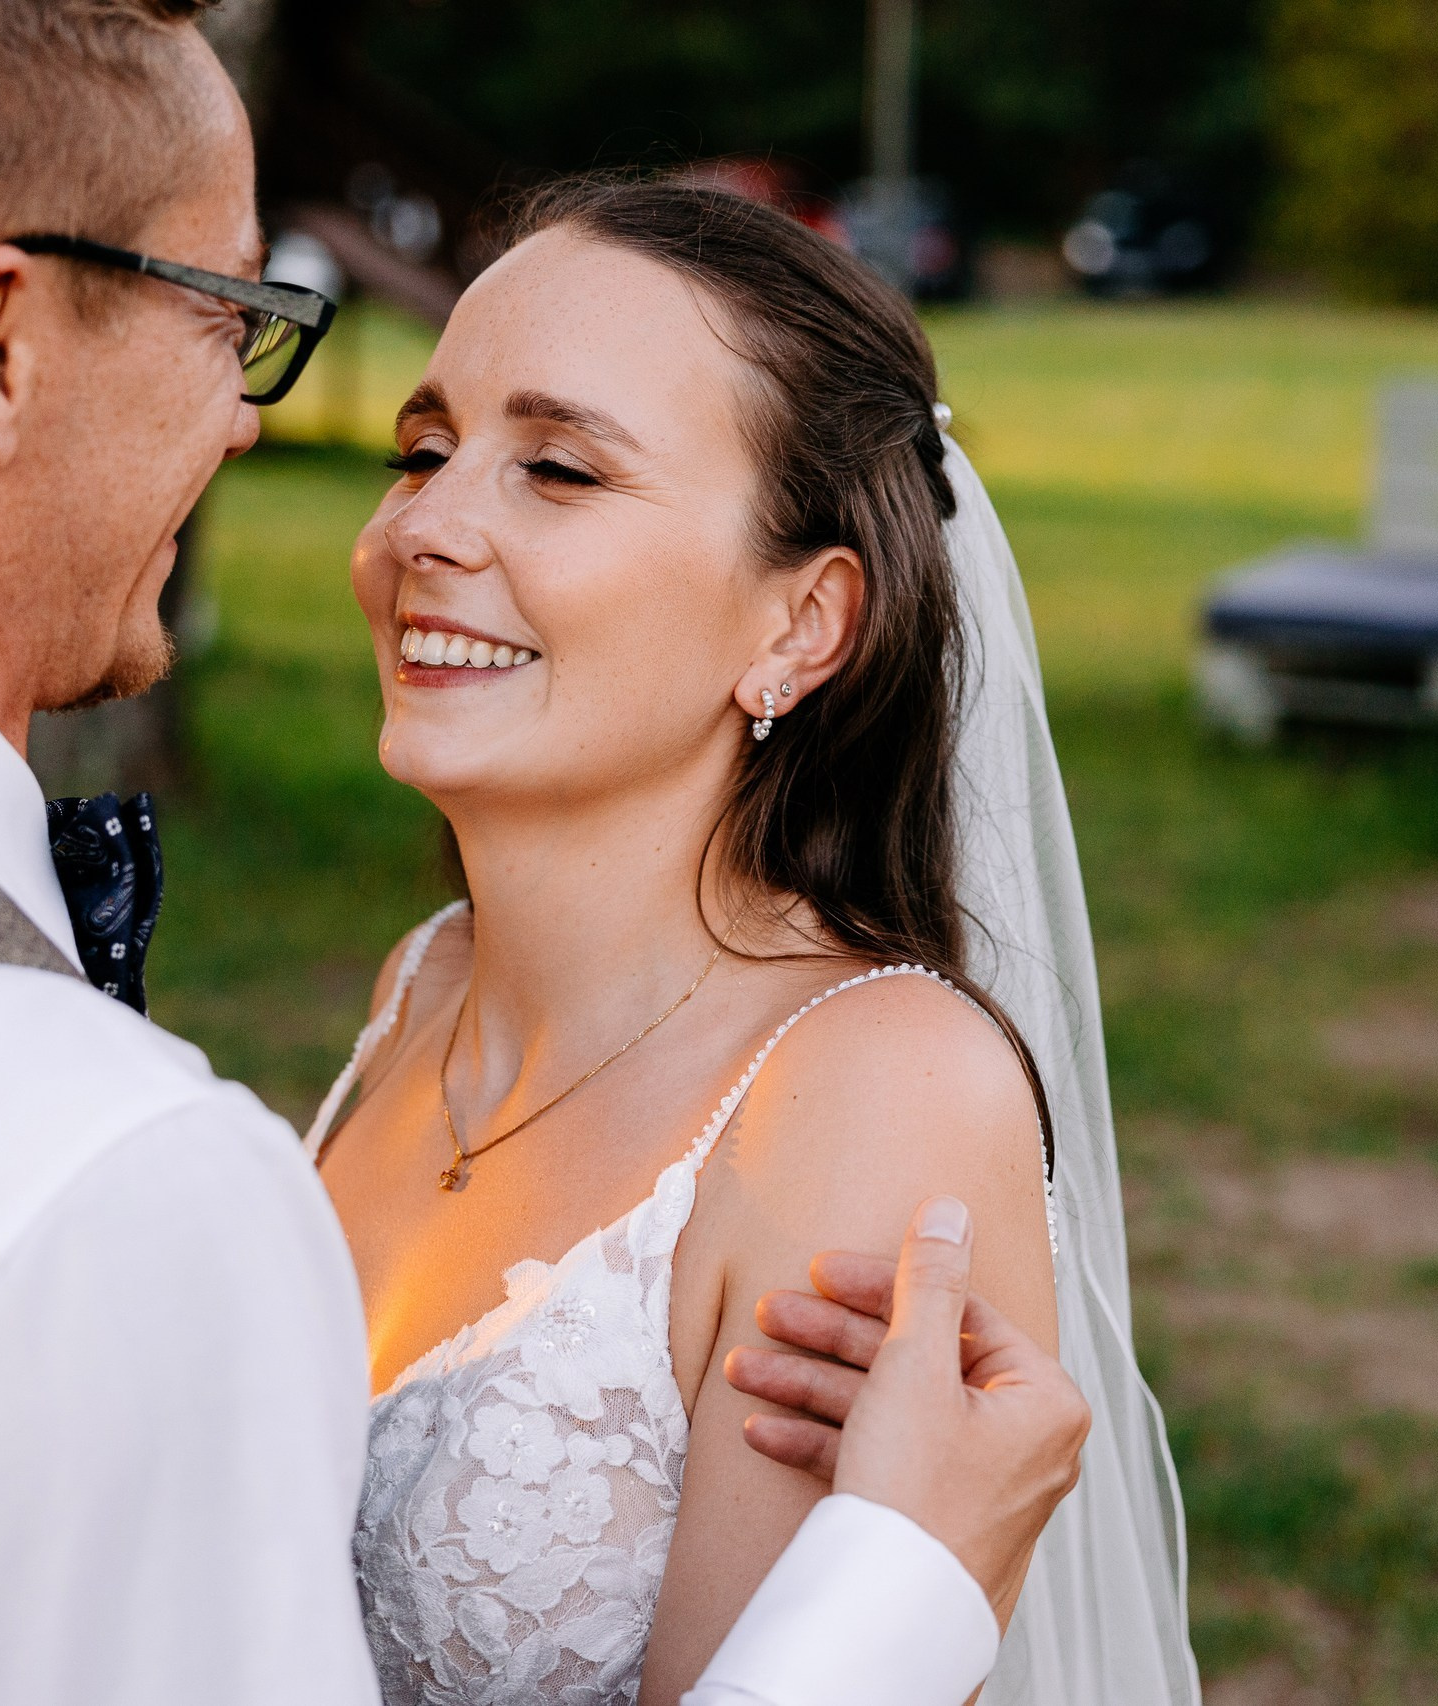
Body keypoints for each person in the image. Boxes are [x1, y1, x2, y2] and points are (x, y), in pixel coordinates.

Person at [0, 2, 1091, 1702]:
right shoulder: (98, 1170)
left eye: (558, 470)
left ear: (808, 620)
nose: (388, 510)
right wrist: (900, 1593)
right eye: (220, 314)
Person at [308, 179, 1201, 1704]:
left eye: (561, 469)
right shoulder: (423, 983)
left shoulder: (872, 1094)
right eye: (425, 449)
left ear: (803, 624)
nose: (423, 528)